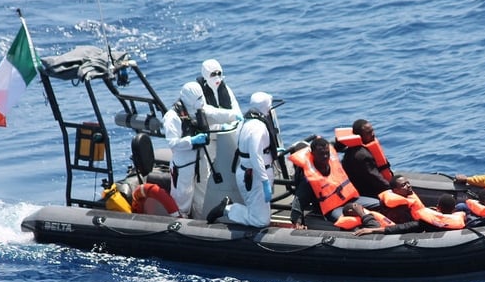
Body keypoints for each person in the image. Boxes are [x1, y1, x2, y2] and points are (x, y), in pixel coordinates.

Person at [162, 81, 240, 217]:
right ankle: (181, 221)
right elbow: (172, 143)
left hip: (201, 158)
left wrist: (231, 118)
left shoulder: (199, 109)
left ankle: (200, 220)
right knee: (182, 196)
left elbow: (215, 115)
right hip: (184, 163)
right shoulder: (172, 117)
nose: (200, 102)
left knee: (202, 194)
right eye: (197, 99)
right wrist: (191, 141)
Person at [206, 92, 277, 227]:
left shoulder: (245, 122)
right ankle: (228, 209)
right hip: (254, 176)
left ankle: (235, 210)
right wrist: (265, 181)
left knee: (260, 214)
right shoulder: (258, 127)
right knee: (261, 221)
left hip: (248, 173)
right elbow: (256, 157)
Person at [288, 137, 379, 229]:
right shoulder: (308, 178)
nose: (325, 156)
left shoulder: (333, 161)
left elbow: (337, 145)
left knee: (379, 204)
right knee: (349, 222)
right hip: (332, 209)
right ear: (313, 154)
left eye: (326, 153)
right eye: (321, 154)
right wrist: (297, 222)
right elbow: (298, 200)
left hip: (350, 200)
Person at [354, 193, 466, 236]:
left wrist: (372, 230)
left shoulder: (425, 222)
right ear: (453, 210)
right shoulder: (462, 219)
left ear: (438, 207)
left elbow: (401, 228)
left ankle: (363, 215)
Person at [335, 119, 393, 198]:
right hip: (366, 193)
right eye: (368, 133)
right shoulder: (362, 155)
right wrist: (392, 189)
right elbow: (376, 179)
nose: (373, 134)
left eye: (372, 131)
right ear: (359, 136)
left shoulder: (352, 150)